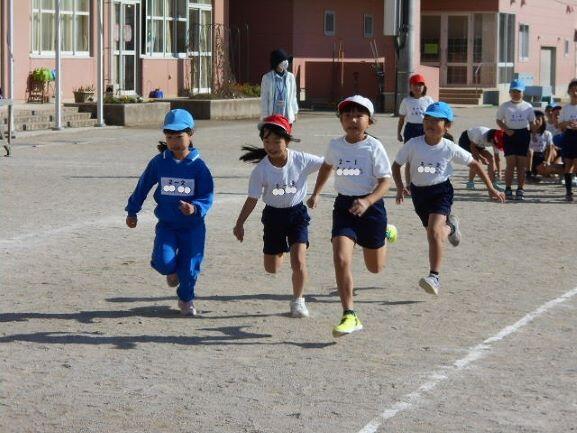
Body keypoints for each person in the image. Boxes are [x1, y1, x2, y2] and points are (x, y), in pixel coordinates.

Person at [392, 102, 505, 296]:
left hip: (440, 192)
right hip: (419, 194)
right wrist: (401, 187)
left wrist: (491, 188)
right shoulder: (413, 144)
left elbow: (475, 164)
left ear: (447, 126)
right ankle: (452, 227)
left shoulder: (449, 148)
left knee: (434, 233)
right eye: (427, 119)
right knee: (434, 235)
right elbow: (396, 165)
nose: (430, 123)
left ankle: (434, 277)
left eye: (436, 120)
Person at [307, 95, 395, 337]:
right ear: (341, 120)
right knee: (341, 258)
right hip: (345, 207)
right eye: (347, 116)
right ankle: (349, 314)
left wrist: (368, 201)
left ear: (370, 121)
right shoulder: (335, 145)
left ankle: (385, 232)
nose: (353, 120)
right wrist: (316, 193)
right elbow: (327, 166)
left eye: (359, 115)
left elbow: (386, 182)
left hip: (372, 208)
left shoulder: (374, 147)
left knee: (375, 268)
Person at [125, 109, 214, 316]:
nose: (174, 142)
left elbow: (207, 195)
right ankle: (171, 271)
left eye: (179, 136)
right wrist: (132, 211)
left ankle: (186, 299)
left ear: (190, 135)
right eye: (170, 137)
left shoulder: (199, 167)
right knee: (164, 263)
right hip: (167, 226)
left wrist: (195, 208)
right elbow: (142, 186)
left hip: (193, 227)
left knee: (190, 267)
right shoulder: (159, 162)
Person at [233, 115, 323, 317]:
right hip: (273, 217)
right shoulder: (261, 170)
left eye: (276, 141)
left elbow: (328, 164)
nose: (271, 146)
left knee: (298, 262)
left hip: (297, 214)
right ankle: (283, 247)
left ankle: (298, 301)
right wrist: (239, 223)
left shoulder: (301, 159)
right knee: (271, 268)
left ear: (287, 140)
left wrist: (316, 193)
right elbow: (252, 199)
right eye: (267, 141)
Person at [496, 79, 537, 200]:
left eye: (518, 91)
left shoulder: (528, 106)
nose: (515, 93)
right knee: (510, 163)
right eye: (513, 91)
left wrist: (534, 133)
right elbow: (499, 120)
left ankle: (520, 189)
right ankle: (508, 188)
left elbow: (532, 121)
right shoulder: (504, 106)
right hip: (509, 135)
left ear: (523, 93)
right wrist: (506, 129)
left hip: (523, 134)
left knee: (521, 165)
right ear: (510, 92)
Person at [397, 74, 435, 190]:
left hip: (425, 129)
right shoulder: (406, 101)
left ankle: (426, 181)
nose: (418, 87)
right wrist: (398, 133)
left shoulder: (428, 100)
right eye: (415, 85)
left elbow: (434, 117)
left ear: (424, 87)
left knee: (426, 156)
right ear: (410, 87)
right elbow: (401, 119)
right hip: (411, 130)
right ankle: (409, 184)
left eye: (420, 85)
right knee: (410, 158)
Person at [457, 126, 505, 191]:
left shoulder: (496, 141)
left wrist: (499, 172)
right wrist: (481, 158)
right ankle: (470, 182)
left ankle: (493, 183)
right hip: (466, 141)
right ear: (492, 140)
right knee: (476, 161)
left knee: (490, 158)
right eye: (496, 145)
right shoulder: (481, 134)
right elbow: (472, 147)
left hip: (478, 144)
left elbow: (497, 158)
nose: (496, 146)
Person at [260, 49, 299, 124]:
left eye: (286, 60)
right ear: (276, 63)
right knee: (275, 131)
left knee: (285, 132)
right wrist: (265, 116)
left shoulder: (290, 77)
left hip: (286, 116)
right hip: (273, 116)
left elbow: (293, 96)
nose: (286, 62)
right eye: (283, 60)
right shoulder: (267, 78)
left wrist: (295, 112)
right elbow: (264, 98)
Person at [558, 79, 577, 201]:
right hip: (569, 136)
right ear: (569, 91)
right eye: (572, 90)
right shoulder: (565, 108)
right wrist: (567, 123)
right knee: (568, 164)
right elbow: (560, 125)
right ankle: (568, 192)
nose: (575, 93)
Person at [526, 110, 553, 181]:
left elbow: (550, 148)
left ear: (543, 121)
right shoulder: (527, 133)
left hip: (541, 156)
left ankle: (539, 172)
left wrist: (547, 161)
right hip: (528, 157)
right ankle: (528, 173)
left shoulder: (547, 134)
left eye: (539, 119)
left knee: (545, 169)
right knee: (530, 151)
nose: (536, 122)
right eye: (534, 119)